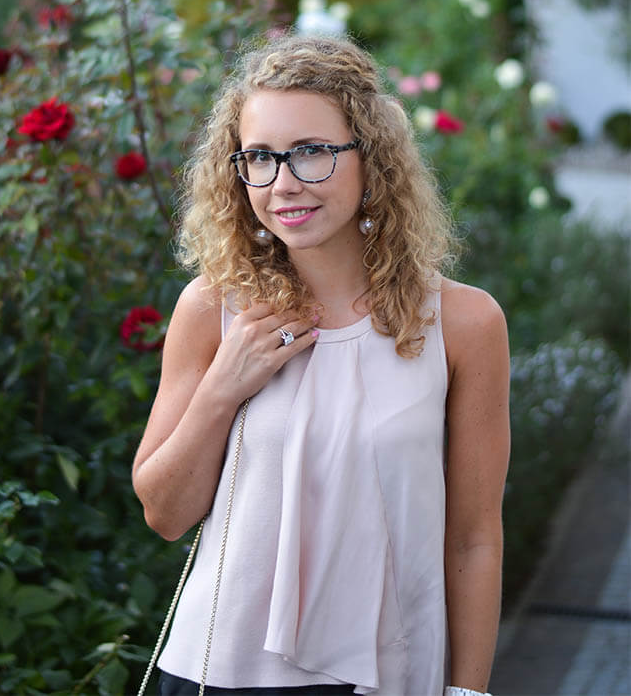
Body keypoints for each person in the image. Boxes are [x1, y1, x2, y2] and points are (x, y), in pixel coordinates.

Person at [132, 34, 510, 696]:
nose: (283, 184)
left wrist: (469, 691)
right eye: (260, 157)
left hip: (390, 674)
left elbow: (474, 537)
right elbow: (164, 513)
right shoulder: (212, 309)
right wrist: (222, 388)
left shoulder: (465, 324)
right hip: (219, 674)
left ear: (372, 157)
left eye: (312, 152)